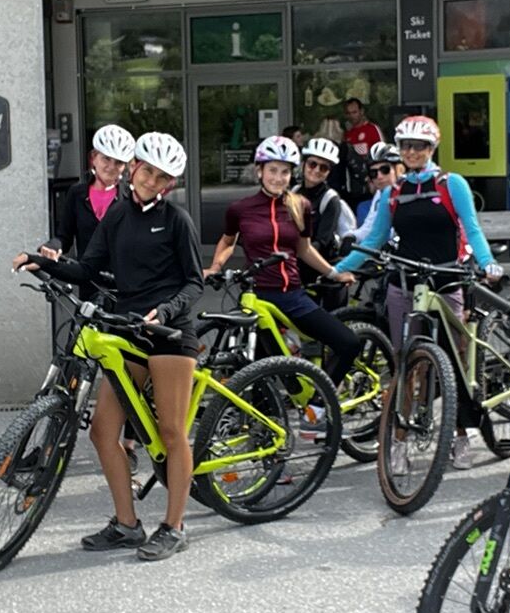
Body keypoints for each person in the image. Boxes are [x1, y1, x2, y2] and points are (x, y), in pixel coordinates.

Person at [19, 131, 204, 561]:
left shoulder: (177, 220)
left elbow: (195, 282)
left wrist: (165, 310)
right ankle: (126, 524)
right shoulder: (118, 214)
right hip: (127, 328)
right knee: (103, 431)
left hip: (170, 334)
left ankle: (174, 527)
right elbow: (87, 269)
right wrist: (42, 262)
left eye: (161, 177)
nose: (151, 181)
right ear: (134, 168)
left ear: (170, 184)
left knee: (171, 431)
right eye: (147, 171)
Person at [333, 115, 503, 469]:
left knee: (454, 361)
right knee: (406, 365)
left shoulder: (450, 184)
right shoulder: (393, 192)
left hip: (446, 279)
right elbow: (376, 238)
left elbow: (471, 229)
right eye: (406, 146)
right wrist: (339, 269)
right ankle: (399, 442)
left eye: (419, 146)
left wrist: (488, 263)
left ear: (431, 148)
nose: (411, 152)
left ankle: (460, 435)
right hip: (405, 284)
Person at [207, 135, 362, 384]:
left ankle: (320, 401)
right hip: (257, 295)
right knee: (256, 369)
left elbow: (304, 249)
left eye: (285, 172)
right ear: (259, 171)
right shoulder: (240, 209)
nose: (278, 178)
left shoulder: (300, 205)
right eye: (272, 170)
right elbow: (227, 241)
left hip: (293, 296)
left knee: (349, 343)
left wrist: (334, 273)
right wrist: (215, 267)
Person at [55, 122, 136, 257]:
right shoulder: (77, 193)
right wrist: (52, 247)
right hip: (86, 268)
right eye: (106, 159)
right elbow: (64, 238)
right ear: (93, 157)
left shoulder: (132, 196)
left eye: (118, 162)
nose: (111, 167)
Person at [297, 135, 353, 308]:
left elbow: (323, 241)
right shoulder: (294, 192)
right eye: (312, 164)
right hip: (299, 266)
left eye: (324, 167)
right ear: (303, 164)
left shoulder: (330, 199)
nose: (316, 170)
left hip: (325, 267)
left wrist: (297, 253)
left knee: (332, 320)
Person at [340, 95, 384, 203]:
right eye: (348, 113)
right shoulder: (348, 134)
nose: (351, 116)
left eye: (354, 112)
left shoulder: (372, 129)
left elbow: (382, 154)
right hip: (353, 184)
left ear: (361, 111)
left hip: (370, 181)